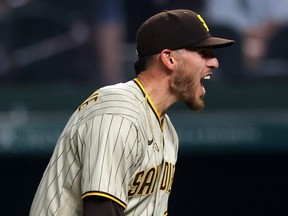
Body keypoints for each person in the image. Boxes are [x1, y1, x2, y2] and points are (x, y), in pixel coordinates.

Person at [29, 9, 234, 216]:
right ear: (169, 59)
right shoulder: (118, 113)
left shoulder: (166, 131)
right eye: (203, 53)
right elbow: (101, 211)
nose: (214, 62)